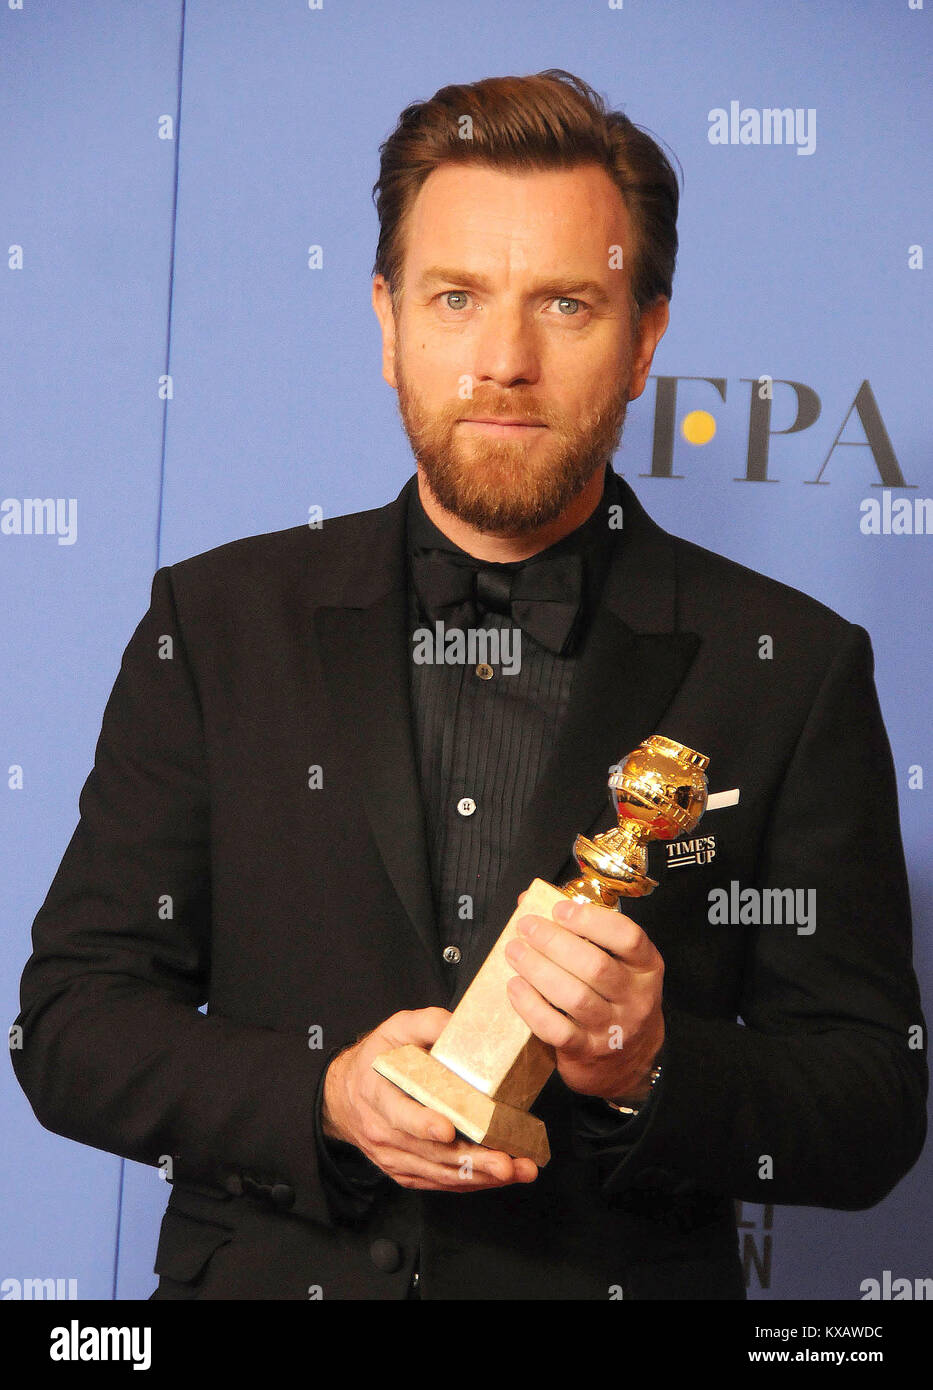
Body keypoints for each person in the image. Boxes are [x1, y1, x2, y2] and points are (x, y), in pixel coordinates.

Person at [12, 70, 926, 1301]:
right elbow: (70, 1024)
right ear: (388, 323)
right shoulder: (216, 622)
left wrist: (651, 1065)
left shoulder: (791, 668)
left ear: (647, 335)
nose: (505, 362)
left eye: (566, 302)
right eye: (456, 298)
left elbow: (872, 1104)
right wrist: (322, 1097)